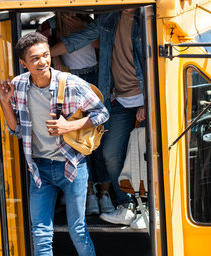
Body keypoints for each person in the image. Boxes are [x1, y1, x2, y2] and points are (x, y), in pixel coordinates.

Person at [0, 32, 109, 256]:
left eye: (45, 55)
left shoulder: (70, 83)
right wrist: (6, 103)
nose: (43, 61)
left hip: (71, 166)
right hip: (39, 170)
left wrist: (70, 125)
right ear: (24, 64)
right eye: (35, 58)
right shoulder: (19, 86)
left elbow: (102, 113)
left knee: (77, 228)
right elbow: (17, 130)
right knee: (40, 235)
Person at [51, 8, 146, 226]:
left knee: (149, 156)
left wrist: (149, 101)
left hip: (145, 98)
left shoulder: (148, 18)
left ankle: (150, 209)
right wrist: (49, 55)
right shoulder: (109, 19)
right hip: (119, 99)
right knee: (111, 154)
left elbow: (158, 62)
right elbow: (78, 40)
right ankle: (127, 206)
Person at [38, 12, 115, 216]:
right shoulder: (48, 27)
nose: (72, 10)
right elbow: (38, 53)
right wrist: (56, 60)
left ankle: (105, 193)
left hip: (96, 74)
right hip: (70, 79)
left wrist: (82, 32)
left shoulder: (88, 21)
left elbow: (104, 45)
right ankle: (89, 191)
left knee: (101, 135)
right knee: (79, 139)